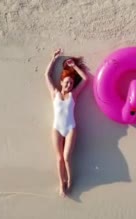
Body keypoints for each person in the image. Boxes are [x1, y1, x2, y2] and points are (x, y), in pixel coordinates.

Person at [44, 48, 89, 197]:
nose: (69, 85)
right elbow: (47, 75)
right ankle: (61, 183)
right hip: (56, 128)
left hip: (70, 128)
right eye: (67, 82)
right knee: (59, 158)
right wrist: (54, 58)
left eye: (71, 83)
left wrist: (74, 66)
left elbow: (86, 79)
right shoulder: (54, 93)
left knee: (67, 157)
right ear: (61, 82)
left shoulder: (73, 95)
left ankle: (69, 180)